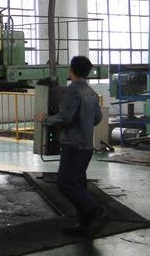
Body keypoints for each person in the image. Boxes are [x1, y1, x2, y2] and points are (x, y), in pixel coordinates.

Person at [35, 55, 108, 237]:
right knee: (79, 184)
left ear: (71, 70)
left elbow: (64, 117)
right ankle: (85, 225)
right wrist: (84, 123)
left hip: (73, 145)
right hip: (86, 146)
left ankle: (97, 210)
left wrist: (46, 119)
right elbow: (97, 118)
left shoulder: (72, 91)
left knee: (64, 183)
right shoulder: (91, 92)